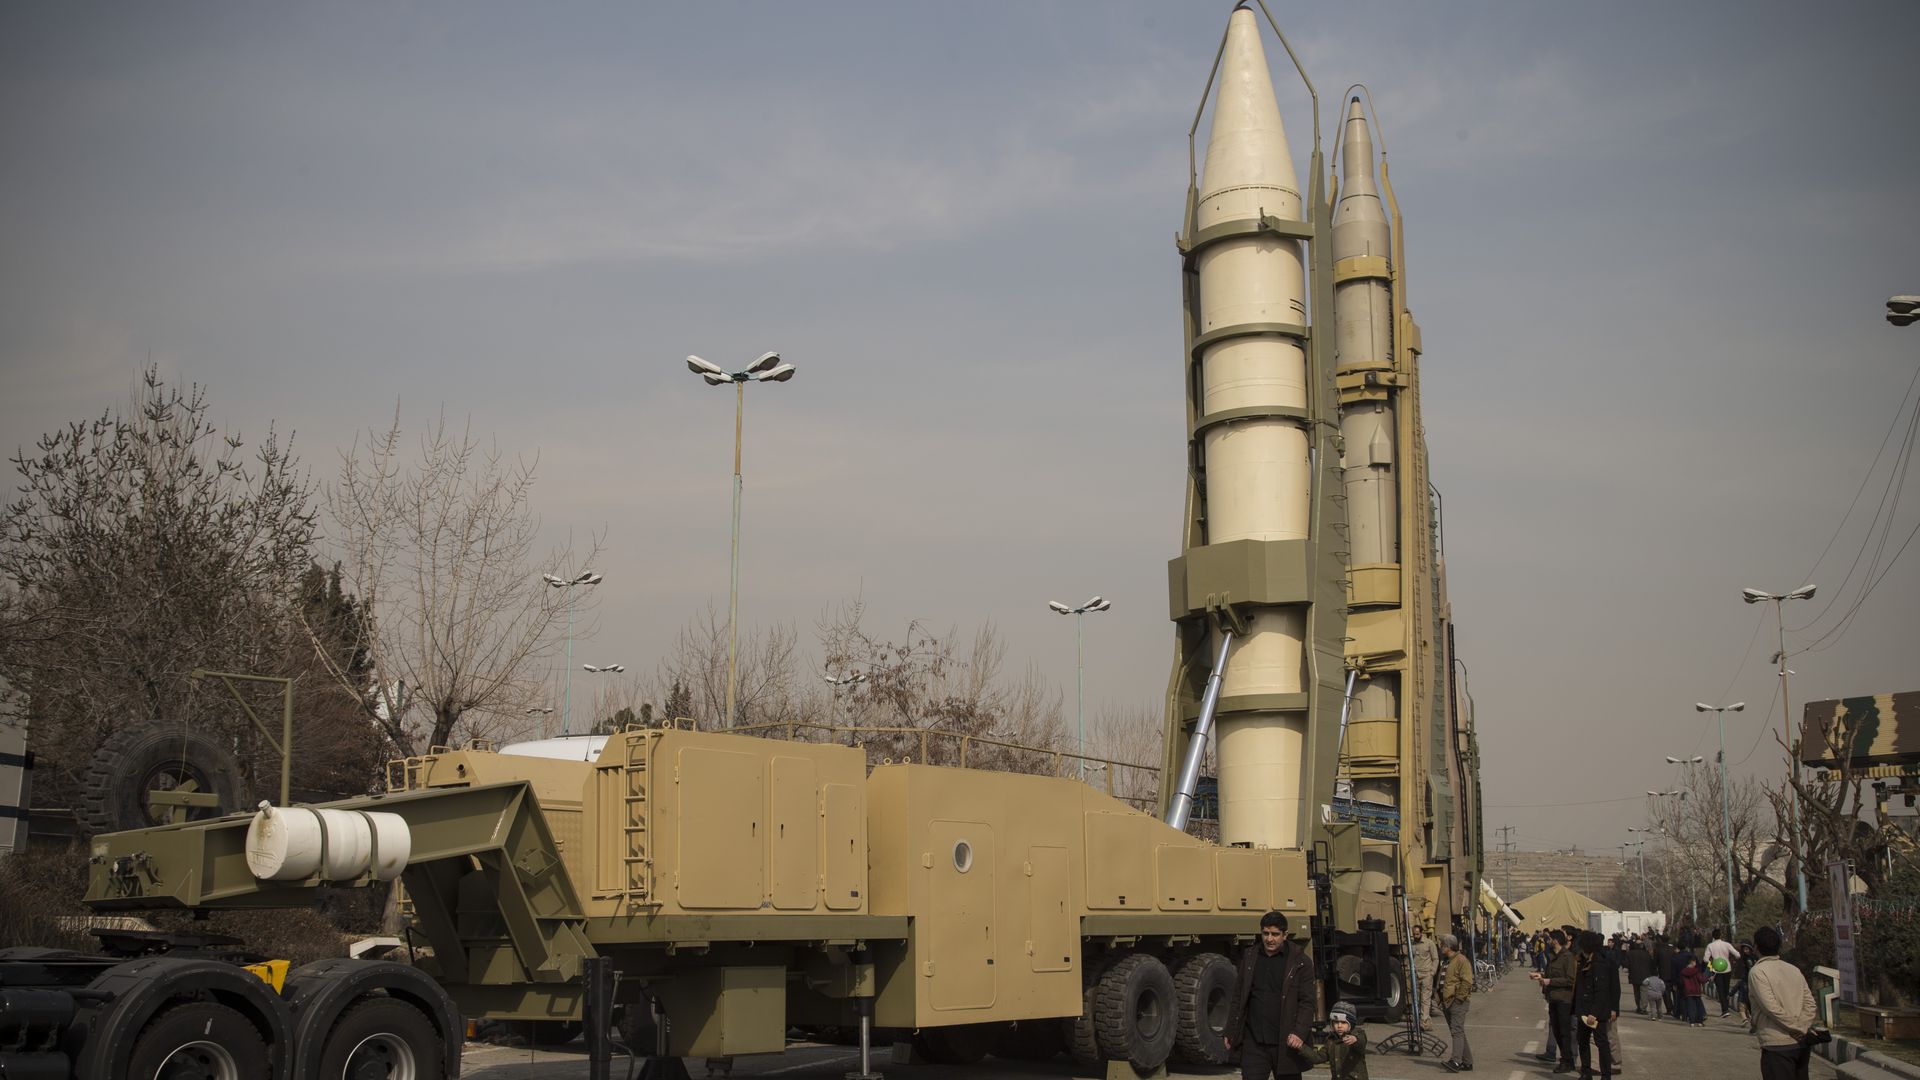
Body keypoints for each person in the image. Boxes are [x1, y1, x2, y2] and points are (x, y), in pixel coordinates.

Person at [1224, 911, 1317, 1080]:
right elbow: (1238, 996)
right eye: (1265, 933)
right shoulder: (1250, 957)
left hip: (1286, 1042)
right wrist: (1231, 1030)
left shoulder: (1301, 962)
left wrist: (1299, 1032)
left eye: (1275, 934)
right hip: (1254, 1042)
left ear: (1285, 935)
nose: (1269, 939)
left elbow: (1307, 1002)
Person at [1747, 925, 1817, 1080]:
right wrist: (1803, 1027)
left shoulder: (1758, 972)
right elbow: (1810, 1004)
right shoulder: (1793, 969)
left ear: (1756, 947)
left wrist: (1796, 1028)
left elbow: (1770, 1007)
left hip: (1777, 1043)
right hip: (1801, 1043)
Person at [1571, 931, 1619, 1079]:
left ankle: (1606, 1075)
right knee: (1582, 1041)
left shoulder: (1601, 963)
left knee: (1601, 1043)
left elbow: (1603, 990)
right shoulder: (1584, 961)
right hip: (1583, 1009)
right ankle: (1586, 1072)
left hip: (1596, 1011)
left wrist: (1597, 1012)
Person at [1531, 929, 1575, 1073]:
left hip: (1563, 999)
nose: (1548, 941)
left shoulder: (1567, 957)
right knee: (1556, 1030)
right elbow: (1551, 974)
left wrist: (1550, 981)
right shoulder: (1553, 956)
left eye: (1550, 939)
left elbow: (1570, 980)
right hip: (1553, 998)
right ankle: (1567, 1059)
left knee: (1564, 1031)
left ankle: (1566, 1060)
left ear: (1556, 941)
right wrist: (1541, 976)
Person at [1300, 1000, 1369, 1080]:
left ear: (1351, 1023)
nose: (1339, 1026)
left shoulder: (1358, 1033)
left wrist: (1355, 1039)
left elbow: (1361, 1042)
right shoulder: (1331, 1040)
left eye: (1343, 1022)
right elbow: (1317, 1057)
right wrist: (1301, 1046)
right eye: (1336, 1022)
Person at [1437, 932, 1474, 1073]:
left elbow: (1467, 981)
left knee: (1456, 1031)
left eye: (1442, 945)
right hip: (1447, 1001)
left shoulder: (1461, 960)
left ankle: (1456, 1061)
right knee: (1458, 1031)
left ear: (1449, 946)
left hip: (1457, 1001)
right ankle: (1467, 1062)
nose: (1440, 947)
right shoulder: (1447, 960)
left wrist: (1459, 998)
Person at [1409, 923, 1439, 1028]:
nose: (1415, 936)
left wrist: (1432, 972)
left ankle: (1424, 1022)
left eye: (1417, 934)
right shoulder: (1411, 944)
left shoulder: (1429, 943)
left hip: (1426, 974)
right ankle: (1416, 1023)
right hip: (1415, 975)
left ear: (1421, 933)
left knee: (1425, 999)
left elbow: (1435, 959)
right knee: (1415, 1000)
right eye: (1414, 934)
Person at [1704, 929, 1738, 1016]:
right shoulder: (1727, 944)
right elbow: (1737, 955)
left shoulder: (1710, 946)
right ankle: (1726, 1008)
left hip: (1716, 970)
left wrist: (1712, 962)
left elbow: (1705, 959)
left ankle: (1725, 1010)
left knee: (1720, 990)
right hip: (1727, 969)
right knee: (1726, 989)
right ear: (1721, 935)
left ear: (1713, 936)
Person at [1624, 936, 1653, 1014]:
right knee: (1644, 992)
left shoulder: (1630, 953)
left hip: (1634, 975)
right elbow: (1651, 964)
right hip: (1645, 975)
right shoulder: (1647, 954)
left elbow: (1626, 964)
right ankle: (1643, 1008)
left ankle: (1638, 1007)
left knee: (1636, 992)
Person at [1678, 955, 1709, 1027]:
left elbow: (1681, 982)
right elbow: (1701, 979)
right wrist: (1707, 978)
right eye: (1695, 961)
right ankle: (1700, 1022)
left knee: (1690, 1007)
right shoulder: (1696, 971)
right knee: (1699, 1007)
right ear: (1692, 962)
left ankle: (1692, 1022)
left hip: (1688, 992)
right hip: (1696, 991)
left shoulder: (1683, 972)